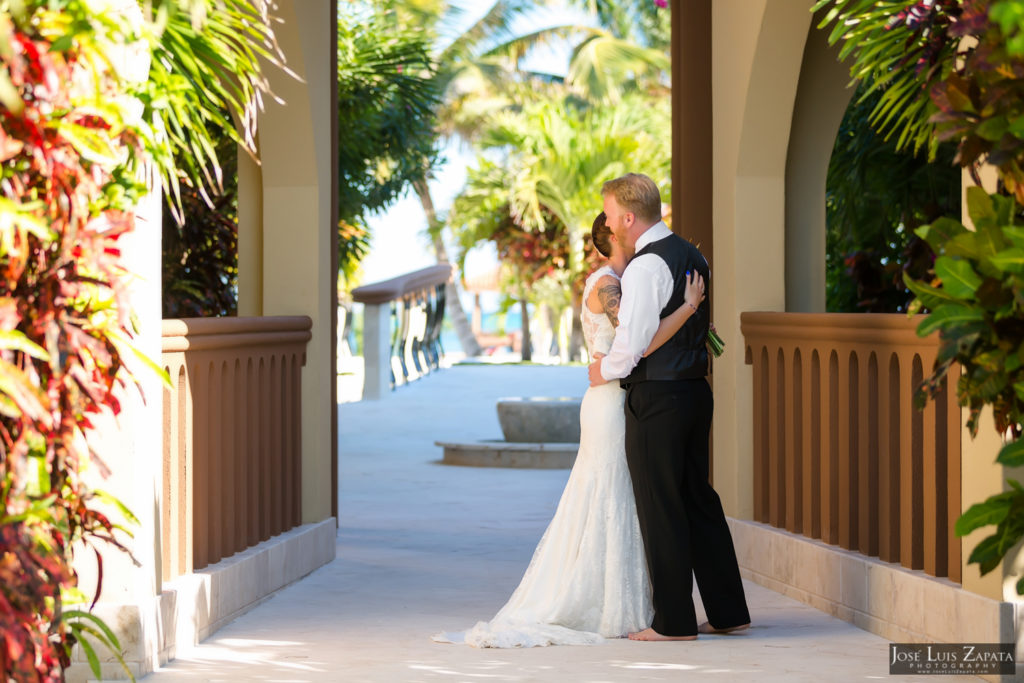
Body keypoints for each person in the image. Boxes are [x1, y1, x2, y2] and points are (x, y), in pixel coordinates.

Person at [433, 212, 705, 648]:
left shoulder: (623, 280)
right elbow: (635, 344)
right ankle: (610, 603)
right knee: (611, 495)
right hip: (612, 401)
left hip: (616, 396)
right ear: (616, 236)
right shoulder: (607, 284)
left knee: (621, 496)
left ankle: (631, 601)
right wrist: (690, 310)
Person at [588, 173, 750, 641]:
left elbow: (631, 342)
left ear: (628, 216)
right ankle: (728, 611)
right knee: (699, 499)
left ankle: (673, 622)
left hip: (657, 396)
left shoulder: (643, 267)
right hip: (695, 392)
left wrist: (605, 372)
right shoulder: (692, 254)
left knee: (660, 507)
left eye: (612, 215)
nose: (610, 225)